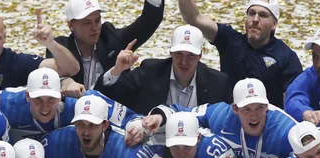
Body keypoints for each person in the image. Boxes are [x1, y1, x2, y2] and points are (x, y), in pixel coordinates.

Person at [138, 78, 296, 158]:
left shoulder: (285, 129)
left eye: (259, 108)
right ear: (234, 108)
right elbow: (182, 113)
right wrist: (159, 117)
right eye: (246, 109)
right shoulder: (220, 115)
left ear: (267, 106)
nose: (253, 116)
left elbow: (311, 152)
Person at [177, 0, 301, 108]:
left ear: (274, 24)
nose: (255, 19)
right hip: (229, 119)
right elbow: (193, 18)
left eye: (263, 15)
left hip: (267, 125)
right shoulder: (230, 40)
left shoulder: (287, 57)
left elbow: (290, 104)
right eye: (251, 13)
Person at [95, 25, 232, 113]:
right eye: (178, 54)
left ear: (200, 56)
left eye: (191, 55)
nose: (184, 62)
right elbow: (104, 97)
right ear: (170, 52)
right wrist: (117, 70)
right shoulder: (149, 71)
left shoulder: (218, 83)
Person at [0, 67, 135, 143]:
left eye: (51, 99)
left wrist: (138, 129)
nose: (45, 106)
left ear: (60, 96)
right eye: (38, 99)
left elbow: (132, 119)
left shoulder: (84, 103)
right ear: (27, 96)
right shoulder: (8, 102)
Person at [40, 95, 161, 158]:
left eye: (92, 125)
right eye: (80, 124)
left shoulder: (129, 154)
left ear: (104, 125)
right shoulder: (58, 142)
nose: (86, 132)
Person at [54, 0, 165, 92]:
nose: (94, 28)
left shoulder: (112, 39)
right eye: (87, 22)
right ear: (71, 25)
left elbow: (149, 21)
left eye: (97, 21)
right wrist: (65, 81)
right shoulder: (60, 47)